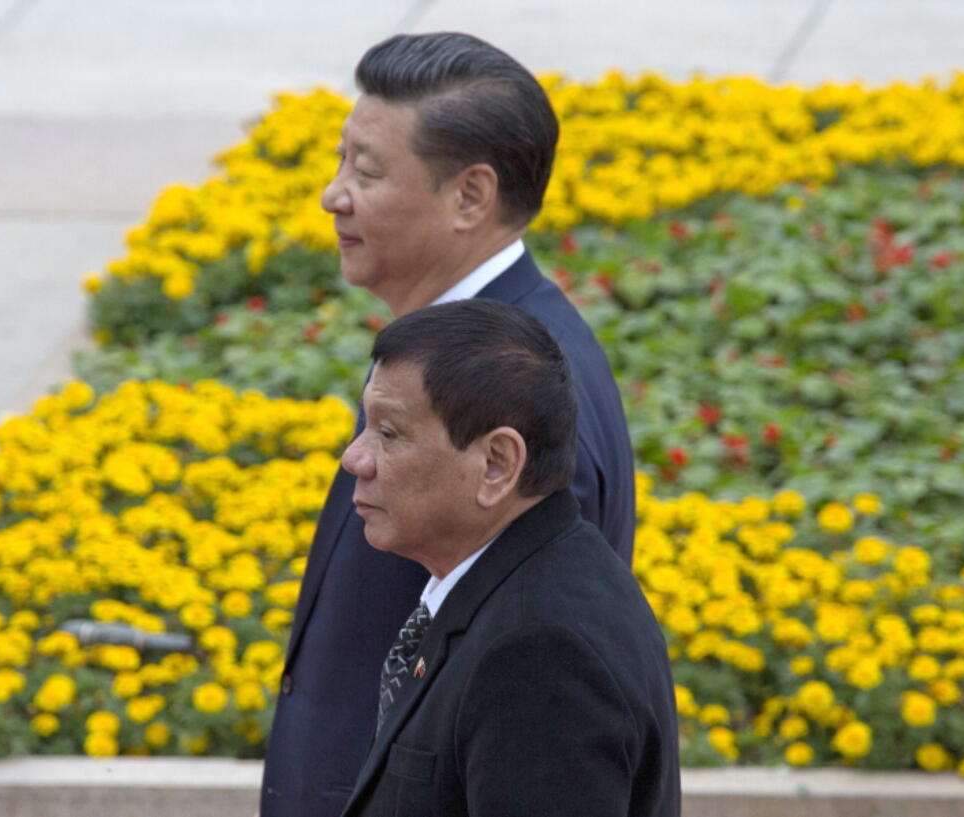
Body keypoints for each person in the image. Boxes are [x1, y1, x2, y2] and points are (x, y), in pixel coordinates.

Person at [260, 32, 636, 817]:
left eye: (366, 171)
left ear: (470, 197)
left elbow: (539, 690)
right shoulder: (449, 350)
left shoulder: (524, 390)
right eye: (340, 162)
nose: (334, 195)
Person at [339, 299, 679, 816]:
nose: (355, 458)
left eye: (388, 433)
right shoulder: (520, 585)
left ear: (497, 463)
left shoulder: (540, 652)